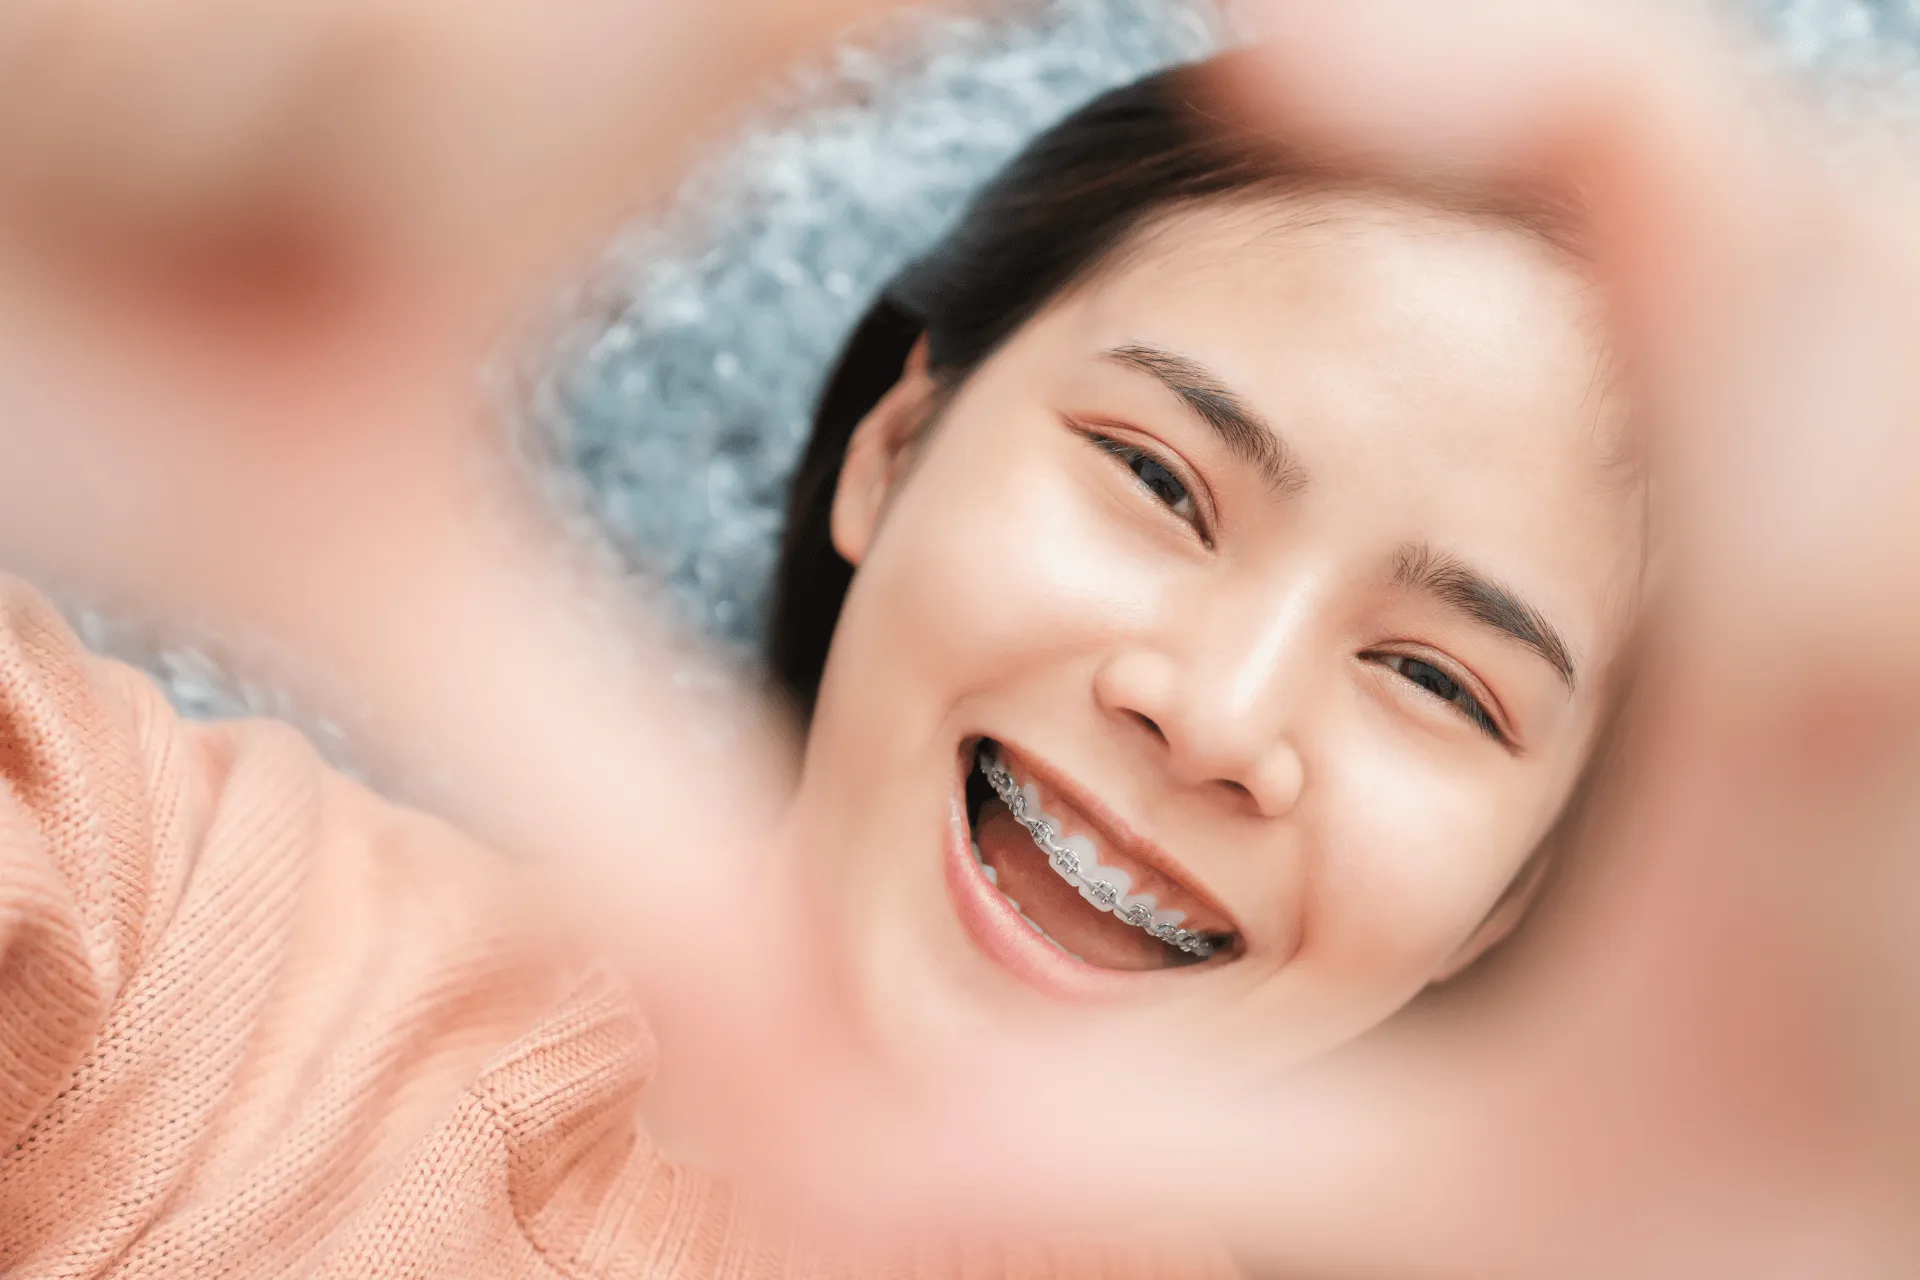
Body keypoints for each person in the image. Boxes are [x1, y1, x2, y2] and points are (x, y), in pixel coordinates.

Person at [0, 1, 1916, 1275]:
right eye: (1163, 483)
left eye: (1436, 678)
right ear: (898, 447)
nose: (1221, 714)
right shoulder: (160, 930)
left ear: (1513, 902)